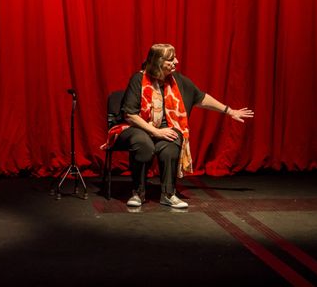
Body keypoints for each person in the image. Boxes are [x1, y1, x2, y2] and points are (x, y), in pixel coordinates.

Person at [103, 44, 253, 209]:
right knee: (143, 143)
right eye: (170, 59)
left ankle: (168, 193)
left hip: (165, 128)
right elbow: (130, 115)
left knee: (173, 140)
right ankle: (138, 192)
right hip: (136, 127)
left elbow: (201, 98)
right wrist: (156, 131)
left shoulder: (177, 81)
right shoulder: (138, 79)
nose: (176, 61)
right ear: (158, 62)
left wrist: (230, 111)